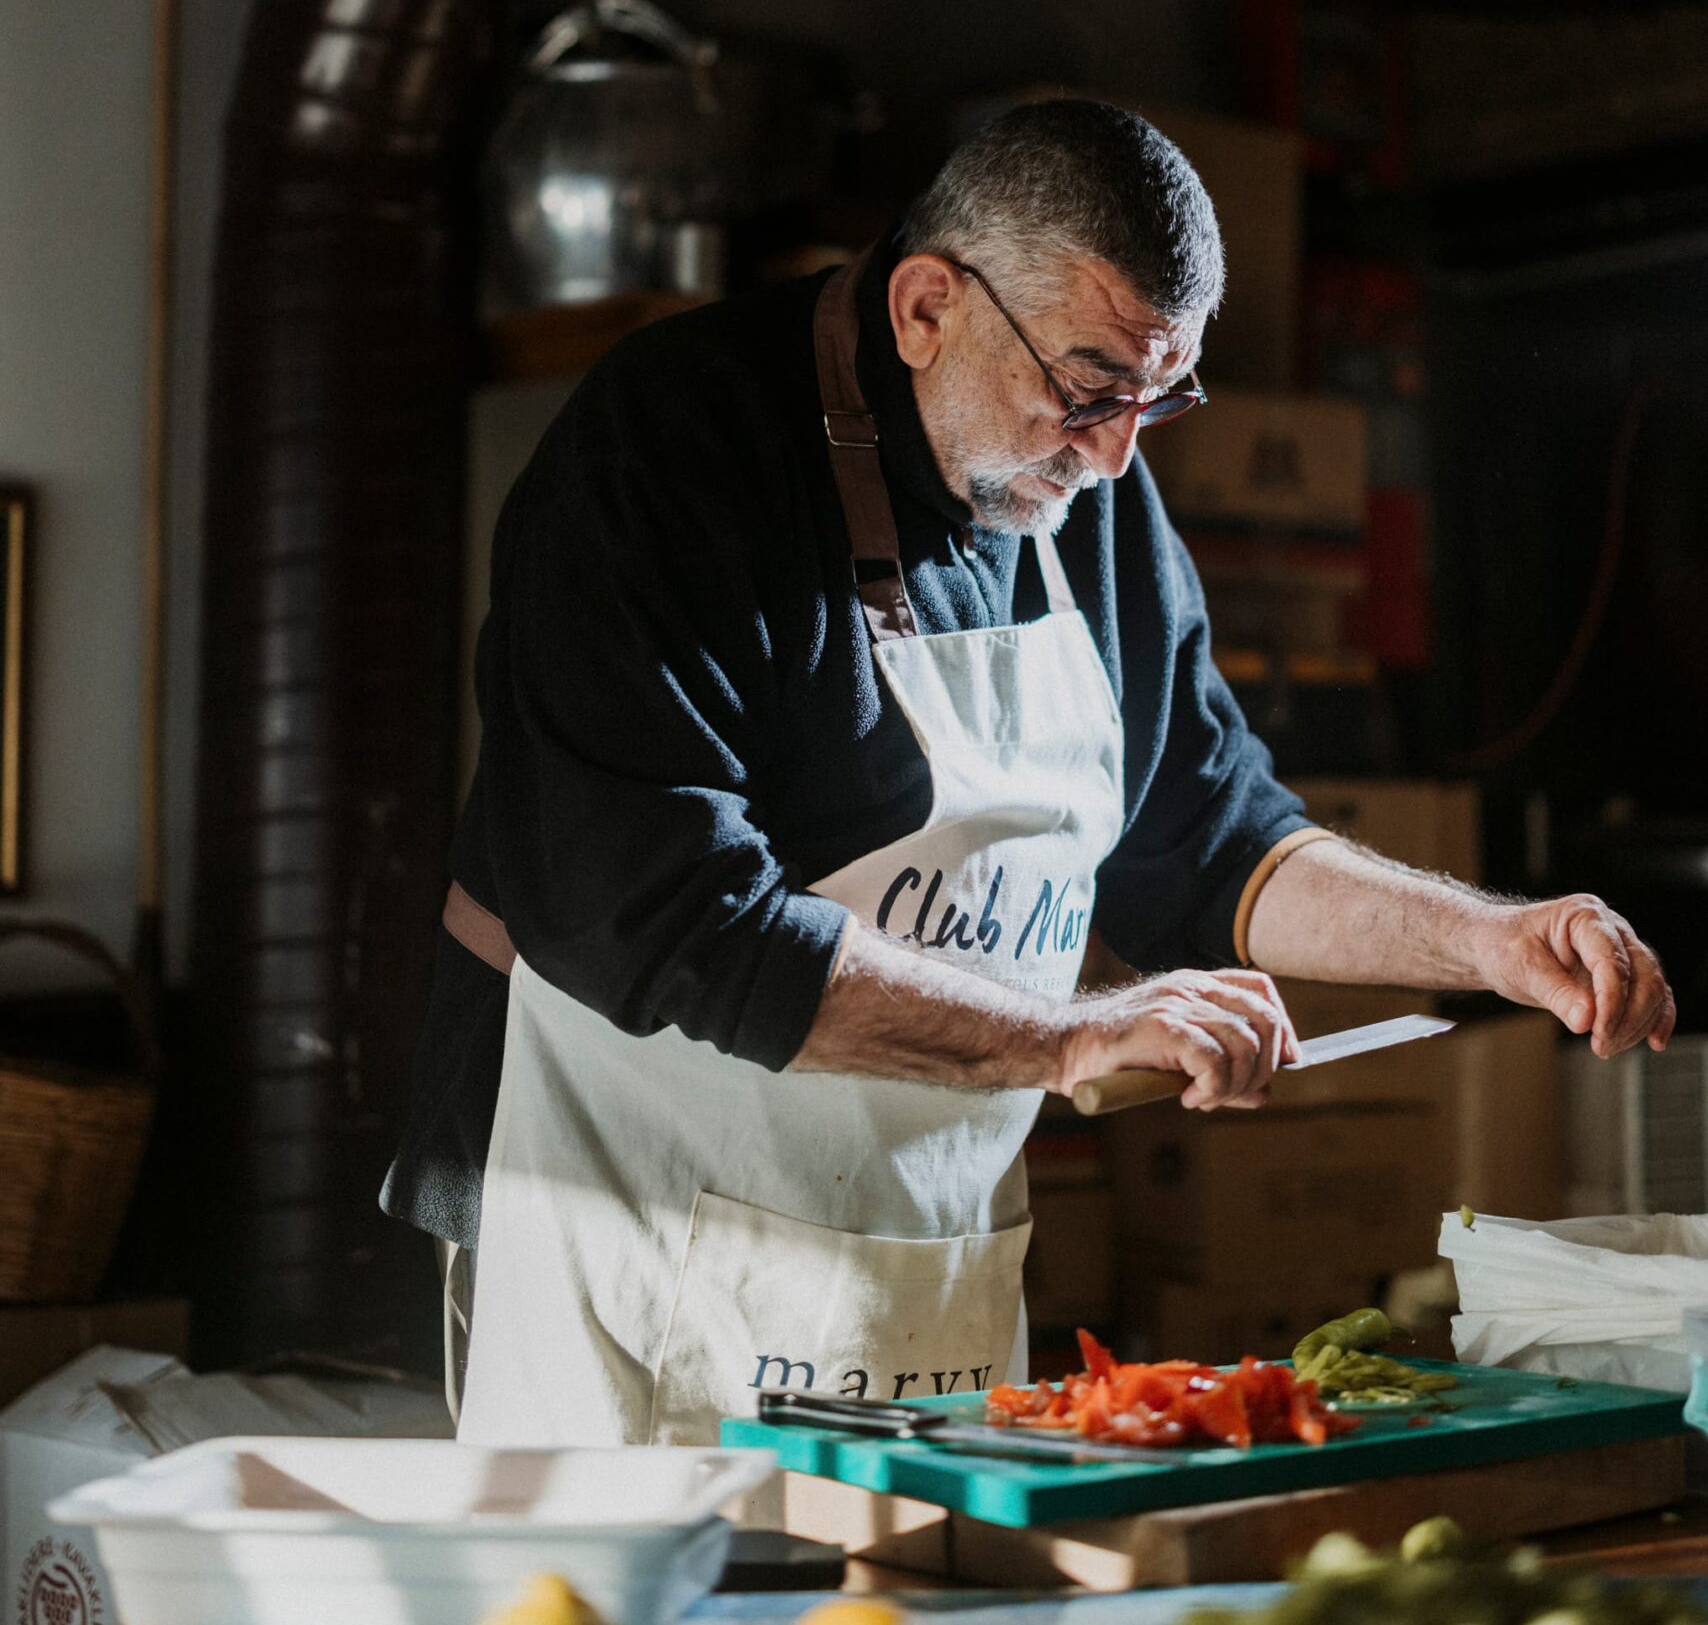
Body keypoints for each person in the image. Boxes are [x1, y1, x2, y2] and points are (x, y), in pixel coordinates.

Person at [383, 99, 1672, 1444]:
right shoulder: (664, 454)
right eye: (1087, 387)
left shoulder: (1088, 491)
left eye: (1157, 399)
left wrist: (1492, 939)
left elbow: (1213, 837)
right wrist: (1068, 1037)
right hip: (632, 1239)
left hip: (916, 1268)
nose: (1117, 451)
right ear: (928, 305)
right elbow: (661, 915)